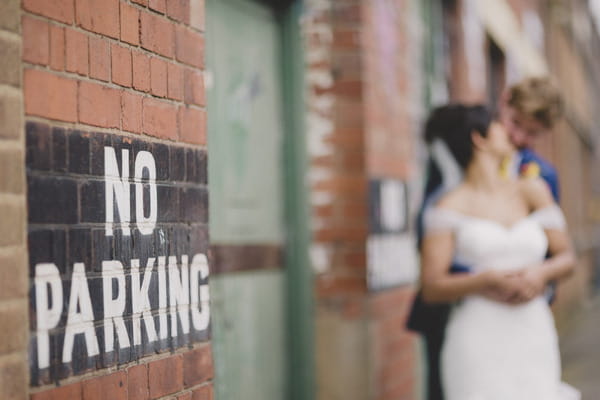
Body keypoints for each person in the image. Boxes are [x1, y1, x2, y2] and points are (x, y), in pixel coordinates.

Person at [406, 77, 564, 400]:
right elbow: (429, 230)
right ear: (503, 102)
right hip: (460, 313)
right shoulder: (456, 157)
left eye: (531, 133)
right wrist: (480, 282)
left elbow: (553, 250)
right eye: (515, 123)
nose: (519, 137)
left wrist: (536, 283)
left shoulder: (542, 177)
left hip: (524, 318)